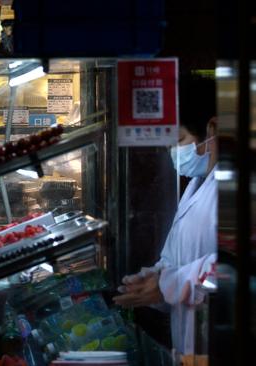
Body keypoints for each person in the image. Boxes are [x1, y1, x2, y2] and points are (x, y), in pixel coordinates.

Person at [113, 74, 218, 355]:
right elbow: (175, 260)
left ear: (213, 128)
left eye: (180, 139)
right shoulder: (195, 186)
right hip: (192, 347)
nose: (174, 151)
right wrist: (152, 280)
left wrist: (168, 284)